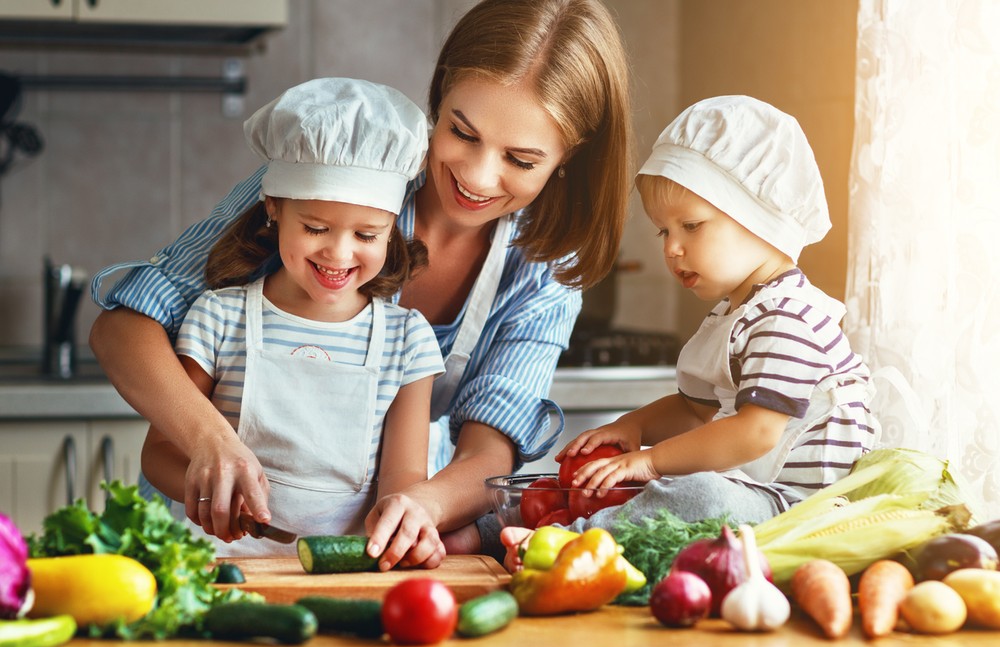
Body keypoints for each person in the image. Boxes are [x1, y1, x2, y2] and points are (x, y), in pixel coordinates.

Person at [88, 0, 633, 568]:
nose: (475, 176)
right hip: (197, 536)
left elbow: (487, 447)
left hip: (351, 550)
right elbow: (123, 328)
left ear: (568, 157)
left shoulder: (545, 265)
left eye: (520, 159)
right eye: (461, 131)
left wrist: (420, 505)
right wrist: (209, 441)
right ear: (439, 95)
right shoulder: (335, 165)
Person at [502, 95, 881, 570]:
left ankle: (566, 543)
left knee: (696, 492)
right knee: (671, 486)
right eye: (664, 231)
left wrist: (652, 460)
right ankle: (515, 523)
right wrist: (633, 427)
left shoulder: (789, 318)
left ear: (760, 218)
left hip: (799, 509)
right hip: (754, 492)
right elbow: (693, 410)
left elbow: (757, 432)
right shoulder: (736, 313)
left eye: (691, 226)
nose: (673, 248)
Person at [140, 77, 446, 559]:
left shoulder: (407, 340)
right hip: (221, 564)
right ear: (273, 208)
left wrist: (403, 520)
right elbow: (159, 453)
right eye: (316, 228)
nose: (339, 253)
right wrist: (210, 492)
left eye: (367, 235)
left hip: (342, 570)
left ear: (392, 230)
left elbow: (404, 477)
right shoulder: (220, 318)